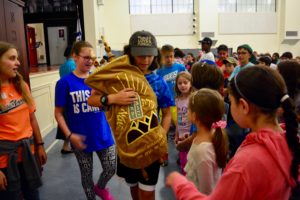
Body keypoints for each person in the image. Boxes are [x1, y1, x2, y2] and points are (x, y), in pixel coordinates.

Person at [166, 66, 300, 200]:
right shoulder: (288, 139)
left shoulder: (245, 164)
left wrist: (180, 183)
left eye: (230, 100)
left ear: (243, 106)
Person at [86, 30, 173, 200]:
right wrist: (112, 98)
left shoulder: (158, 82)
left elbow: (167, 113)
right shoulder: (117, 77)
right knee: (134, 189)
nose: (146, 60)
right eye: (141, 56)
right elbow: (92, 100)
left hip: (151, 146)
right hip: (126, 147)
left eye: (150, 55)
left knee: (147, 192)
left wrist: (162, 135)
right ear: (130, 53)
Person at [54, 41, 116, 200]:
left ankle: (100, 188)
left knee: (111, 168)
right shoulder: (64, 83)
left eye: (92, 58)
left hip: (103, 134)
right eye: (86, 57)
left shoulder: (98, 79)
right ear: (75, 56)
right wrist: (69, 136)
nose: (90, 61)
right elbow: (59, 113)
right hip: (79, 138)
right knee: (86, 175)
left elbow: (107, 104)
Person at [0, 41, 47, 200]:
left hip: (28, 153)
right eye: (12, 58)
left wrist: (40, 146)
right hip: (5, 161)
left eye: (17, 58)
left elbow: (32, 119)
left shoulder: (21, 85)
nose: (18, 63)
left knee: (33, 195)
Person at [184, 88, 228, 195]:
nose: (186, 111)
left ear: (194, 116)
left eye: (188, 109)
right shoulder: (213, 133)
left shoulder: (202, 151)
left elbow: (206, 191)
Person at [156, 44, 186, 166]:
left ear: (174, 55)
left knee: (182, 130)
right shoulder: (159, 70)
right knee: (164, 132)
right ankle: (164, 155)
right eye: (166, 57)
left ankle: (182, 154)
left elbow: (187, 83)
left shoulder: (180, 67)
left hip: (178, 104)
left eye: (171, 56)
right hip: (164, 105)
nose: (169, 59)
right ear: (162, 57)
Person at [56, 44, 76, 154]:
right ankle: (68, 145)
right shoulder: (73, 65)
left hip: (64, 94)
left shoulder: (62, 66)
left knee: (66, 120)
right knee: (71, 121)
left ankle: (66, 145)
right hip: (71, 95)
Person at [174, 71, 194, 175]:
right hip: (181, 134)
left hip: (190, 135)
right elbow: (178, 118)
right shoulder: (177, 100)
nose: (182, 85)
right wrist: (176, 134)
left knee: (191, 161)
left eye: (185, 82)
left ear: (191, 84)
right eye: (180, 83)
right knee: (183, 161)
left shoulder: (193, 98)